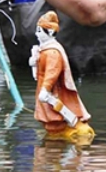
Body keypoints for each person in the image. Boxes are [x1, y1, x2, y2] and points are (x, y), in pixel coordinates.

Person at [28, 11, 94, 145]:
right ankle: (55, 132)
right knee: (47, 111)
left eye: (39, 31)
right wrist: (34, 61)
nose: (36, 34)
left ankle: (65, 127)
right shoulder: (44, 50)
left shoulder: (52, 52)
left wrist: (46, 89)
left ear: (50, 33)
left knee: (53, 108)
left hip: (52, 89)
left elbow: (52, 73)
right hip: (43, 85)